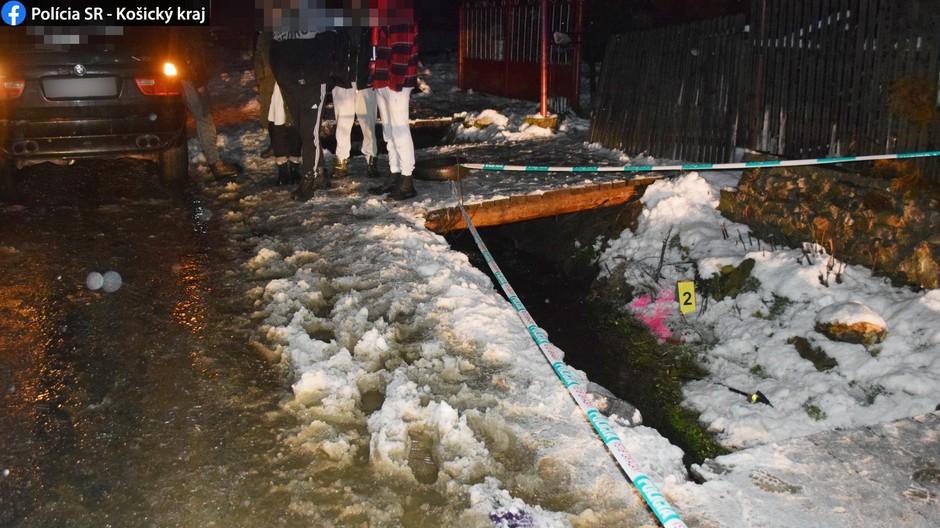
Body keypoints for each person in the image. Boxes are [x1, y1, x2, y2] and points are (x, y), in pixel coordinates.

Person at [269, 29, 340, 200]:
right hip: (289, 82)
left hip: (313, 81)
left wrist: (320, 74)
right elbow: (274, 48)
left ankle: (309, 177)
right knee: (303, 130)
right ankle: (320, 172)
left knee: (310, 132)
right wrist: (282, 77)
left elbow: (331, 43)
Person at [174, 27, 238, 179]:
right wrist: (199, 80)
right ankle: (215, 163)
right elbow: (190, 52)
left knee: (200, 118)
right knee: (204, 118)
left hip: (182, 76)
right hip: (189, 77)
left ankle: (212, 160)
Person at [368, 21, 420, 200]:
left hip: (396, 82)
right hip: (383, 80)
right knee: (388, 132)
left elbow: (402, 50)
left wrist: (395, 83)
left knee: (399, 131)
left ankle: (407, 181)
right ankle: (394, 174)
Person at [254, 31, 302, 185]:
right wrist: (262, 79)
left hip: (291, 84)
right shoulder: (266, 35)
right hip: (272, 86)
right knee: (277, 126)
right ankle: (282, 169)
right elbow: (258, 59)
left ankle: (295, 167)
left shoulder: (294, 31)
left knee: (293, 125)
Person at [332, 26, 379, 179]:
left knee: (368, 124)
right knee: (342, 124)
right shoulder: (336, 25)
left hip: (366, 81)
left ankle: (371, 158)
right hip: (342, 81)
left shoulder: (372, 26)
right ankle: (341, 159)